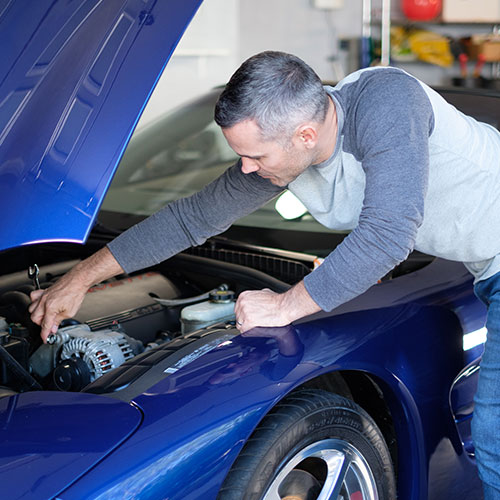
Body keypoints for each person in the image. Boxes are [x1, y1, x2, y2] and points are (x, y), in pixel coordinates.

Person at [29, 51, 500, 497]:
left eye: (257, 157)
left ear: (305, 136)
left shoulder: (387, 103)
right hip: (487, 264)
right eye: (241, 155)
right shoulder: (285, 145)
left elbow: (388, 235)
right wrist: (80, 278)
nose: (246, 168)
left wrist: (284, 304)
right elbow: (191, 218)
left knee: (495, 437)